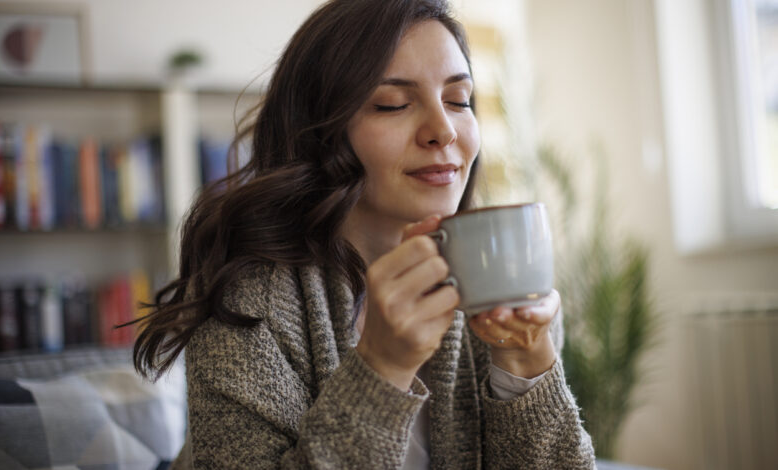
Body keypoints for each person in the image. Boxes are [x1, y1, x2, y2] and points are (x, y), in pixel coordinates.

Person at [133, 0, 596, 468]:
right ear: (321, 131)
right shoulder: (246, 304)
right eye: (392, 103)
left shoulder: (501, 288)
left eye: (458, 100)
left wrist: (526, 367)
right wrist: (382, 367)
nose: (443, 130)